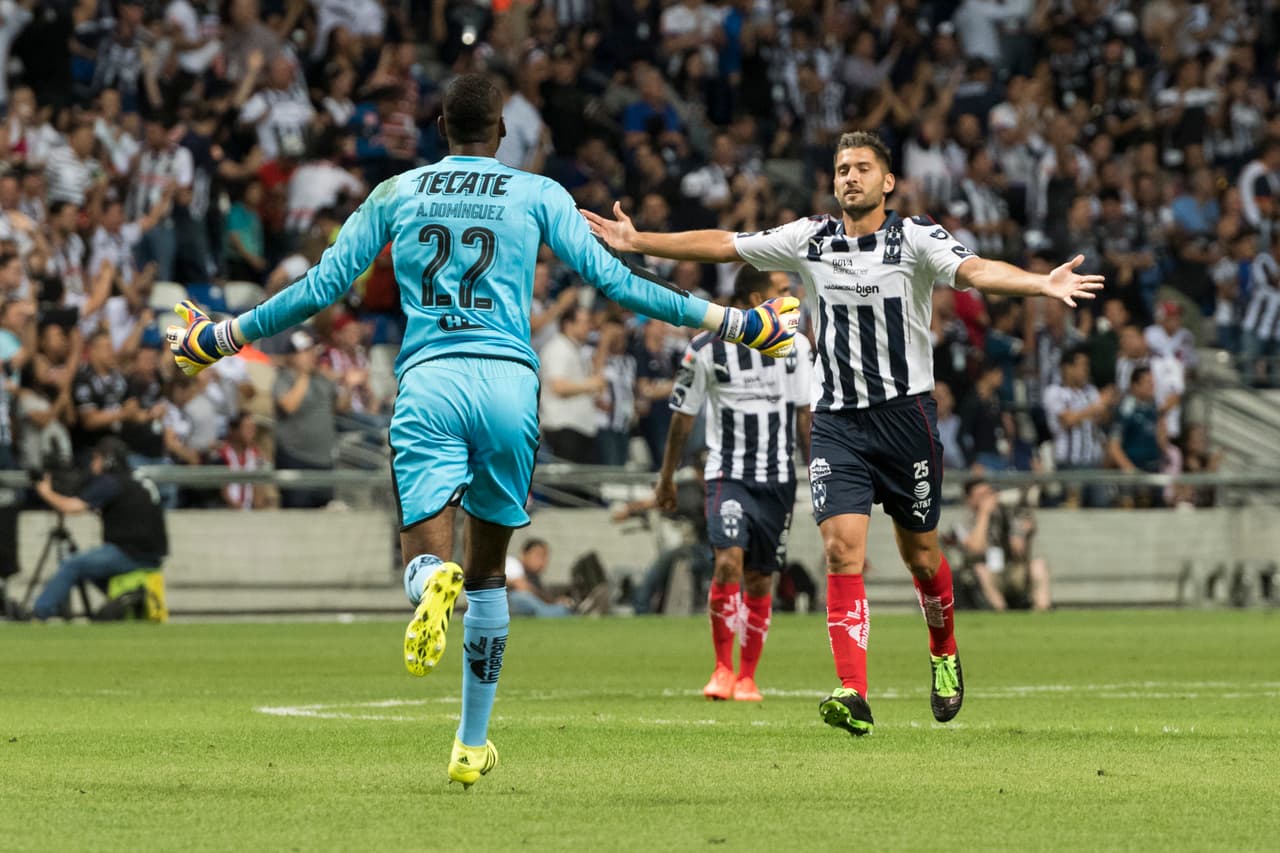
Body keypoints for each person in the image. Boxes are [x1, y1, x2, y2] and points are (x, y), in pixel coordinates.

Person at [165, 74, 798, 787]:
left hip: (431, 380)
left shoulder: (396, 193)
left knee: (426, 557)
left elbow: (321, 288)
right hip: (508, 386)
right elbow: (619, 285)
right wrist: (736, 321)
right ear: (501, 131)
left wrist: (221, 335)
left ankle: (431, 580)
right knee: (491, 574)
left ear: (440, 127)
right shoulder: (538, 194)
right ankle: (470, 743)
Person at [584, 129, 1103, 736]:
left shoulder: (915, 237)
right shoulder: (810, 238)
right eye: (840, 169)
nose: (849, 177)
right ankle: (853, 692)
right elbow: (727, 245)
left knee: (922, 554)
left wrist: (1042, 282)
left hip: (905, 418)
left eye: (861, 168)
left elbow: (977, 269)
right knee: (839, 550)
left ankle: (943, 651)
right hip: (837, 423)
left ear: (887, 181)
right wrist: (639, 239)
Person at [660, 266, 813, 703]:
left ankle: (748, 676)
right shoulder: (706, 347)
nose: (792, 301)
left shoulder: (798, 347)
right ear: (750, 301)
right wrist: (666, 477)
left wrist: (819, 476)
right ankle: (722, 669)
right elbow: (681, 417)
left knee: (761, 579)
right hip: (728, 475)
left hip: (779, 479)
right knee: (728, 562)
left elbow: (805, 416)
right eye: (781, 293)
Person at [28, 437, 167, 621]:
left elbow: (72, 507)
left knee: (73, 564)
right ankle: (127, 599)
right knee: (89, 569)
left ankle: (39, 613)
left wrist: (45, 492)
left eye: (96, 459)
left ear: (108, 460)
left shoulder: (111, 482)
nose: (93, 464)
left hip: (129, 553)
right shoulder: (138, 478)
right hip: (150, 554)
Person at [948, 480, 1050, 612]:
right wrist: (983, 514)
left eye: (990, 494)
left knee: (1039, 565)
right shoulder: (961, 523)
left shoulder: (1007, 512)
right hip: (983, 575)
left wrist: (1023, 534)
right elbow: (976, 549)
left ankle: (1042, 610)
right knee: (981, 570)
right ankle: (1000, 611)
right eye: (981, 496)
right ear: (969, 500)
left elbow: (1024, 537)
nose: (988, 499)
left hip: (1011, 569)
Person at [504, 538, 572, 618]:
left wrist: (554, 601)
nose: (543, 561)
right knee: (520, 596)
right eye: (538, 555)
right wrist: (553, 602)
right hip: (508, 603)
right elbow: (522, 586)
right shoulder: (513, 563)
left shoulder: (534, 576)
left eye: (545, 557)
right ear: (523, 554)